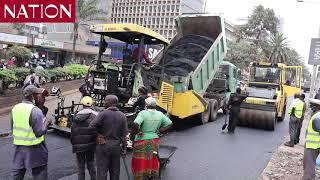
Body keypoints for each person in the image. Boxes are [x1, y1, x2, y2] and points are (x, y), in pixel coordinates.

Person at [11, 85, 52, 180]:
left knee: (18, 175)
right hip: (35, 149)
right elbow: (39, 132)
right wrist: (46, 124)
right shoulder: (35, 111)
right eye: (38, 95)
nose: (40, 97)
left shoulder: (15, 108)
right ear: (33, 96)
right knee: (39, 173)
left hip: (19, 148)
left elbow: (13, 129)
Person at [131, 97, 173, 180]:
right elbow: (170, 123)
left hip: (142, 139)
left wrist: (138, 131)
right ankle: (151, 175)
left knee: (140, 160)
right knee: (152, 157)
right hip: (154, 140)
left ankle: (140, 176)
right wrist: (160, 130)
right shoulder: (160, 114)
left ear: (147, 105)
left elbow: (135, 124)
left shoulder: (143, 113)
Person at [89, 95, 128, 180]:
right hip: (116, 147)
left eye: (105, 101)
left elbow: (91, 126)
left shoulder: (103, 113)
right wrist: (124, 148)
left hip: (103, 146)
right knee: (115, 172)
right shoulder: (122, 115)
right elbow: (124, 136)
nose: (104, 102)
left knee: (102, 171)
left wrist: (99, 135)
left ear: (109, 103)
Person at [71, 96, 98, 180]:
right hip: (91, 145)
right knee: (91, 163)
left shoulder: (76, 116)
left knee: (80, 165)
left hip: (78, 146)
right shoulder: (95, 115)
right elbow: (97, 131)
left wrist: (74, 144)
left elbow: (72, 132)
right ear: (92, 104)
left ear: (82, 104)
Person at [303, 98, 320, 180]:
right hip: (315, 145)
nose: (311, 108)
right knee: (310, 166)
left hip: (312, 146)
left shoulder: (316, 117)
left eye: (312, 106)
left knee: (308, 167)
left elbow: (318, 128)